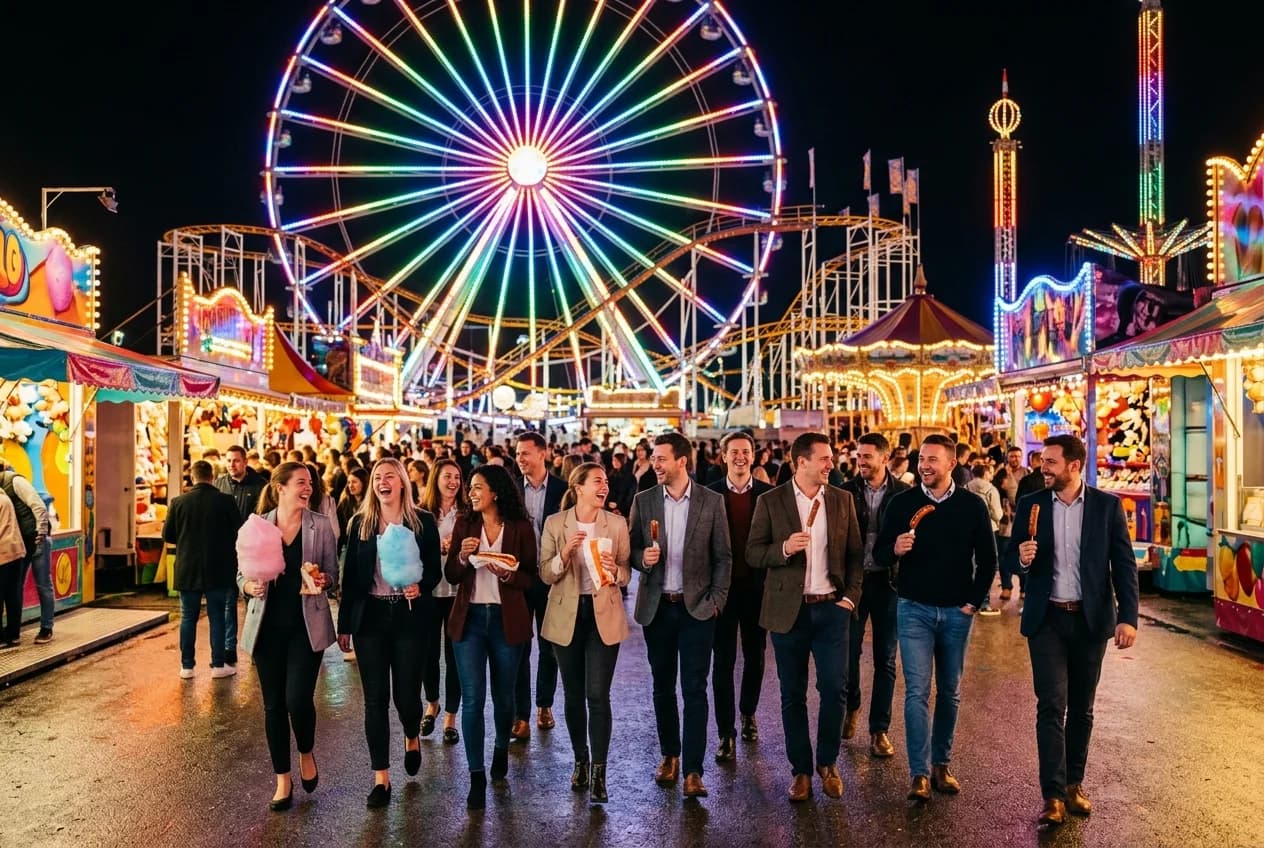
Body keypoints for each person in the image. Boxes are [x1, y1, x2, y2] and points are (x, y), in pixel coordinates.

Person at [1004, 435, 1139, 827]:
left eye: (1051, 463)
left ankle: (1074, 784)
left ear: (1074, 466)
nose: (1043, 468)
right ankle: (1052, 794)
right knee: (1050, 705)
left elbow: (1124, 566)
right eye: (1043, 462)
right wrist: (1021, 559)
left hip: (1090, 620)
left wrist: (1127, 617)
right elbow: (1011, 554)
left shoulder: (1106, 507)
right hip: (1046, 618)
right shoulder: (1031, 505)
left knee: (1082, 708)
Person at [874, 434, 997, 802]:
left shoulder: (972, 506)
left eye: (932, 460)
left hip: (957, 611)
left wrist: (972, 603)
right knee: (916, 691)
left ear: (951, 463)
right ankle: (919, 773)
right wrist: (894, 548)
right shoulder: (901, 503)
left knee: (950, 691)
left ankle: (942, 763)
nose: (924, 466)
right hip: (914, 607)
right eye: (921, 459)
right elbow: (880, 553)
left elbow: (988, 559)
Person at [747, 432, 863, 802]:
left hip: (832, 609)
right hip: (788, 613)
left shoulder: (842, 500)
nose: (832, 464)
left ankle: (827, 762)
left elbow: (856, 555)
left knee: (834, 688)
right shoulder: (771, 500)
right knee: (791, 694)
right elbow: (753, 552)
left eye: (830, 459)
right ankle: (800, 770)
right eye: (825, 459)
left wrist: (849, 598)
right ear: (801, 463)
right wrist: (783, 548)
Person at [629, 432, 732, 800]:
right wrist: (642, 559)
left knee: (694, 689)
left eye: (660, 459)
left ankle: (693, 770)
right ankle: (669, 755)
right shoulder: (644, 501)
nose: (654, 464)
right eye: (653, 459)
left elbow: (723, 557)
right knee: (661, 687)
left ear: (682, 461)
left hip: (697, 609)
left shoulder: (710, 501)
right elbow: (632, 549)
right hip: (657, 607)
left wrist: (716, 600)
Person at [337, 458, 443, 807]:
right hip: (371, 617)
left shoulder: (422, 522)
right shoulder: (360, 524)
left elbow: (433, 571)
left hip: (410, 616)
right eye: (377, 477)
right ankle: (380, 778)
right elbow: (350, 577)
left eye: (390, 477)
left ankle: (411, 733)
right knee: (375, 698)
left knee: (407, 697)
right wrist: (345, 627)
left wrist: (420, 586)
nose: (383, 482)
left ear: (402, 484)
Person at [237, 462, 339, 812]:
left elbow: (333, 575)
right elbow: (241, 573)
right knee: (274, 705)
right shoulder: (258, 524)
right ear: (280, 487)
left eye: (309, 482)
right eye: (300, 482)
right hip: (266, 630)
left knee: (298, 699)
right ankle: (282, 778)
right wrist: (248, 585)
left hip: (305, 627)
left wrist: (324, 581)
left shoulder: (320, 526)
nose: (307, 487)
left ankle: (307, 751)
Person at [444, 464, 538, 810]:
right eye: (470, 488)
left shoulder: (520, 528)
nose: (471, 493)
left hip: (506, 620)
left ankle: (500, 746)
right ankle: (476, 776)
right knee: (472, 698)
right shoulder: (465, 525)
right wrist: (463, 557)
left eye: (478, 487)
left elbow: (531, 577)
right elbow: (451, 575)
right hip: (468, 622)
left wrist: (508, 573)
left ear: (496, 492)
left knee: (503, 696)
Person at [539, 462, 631, 803]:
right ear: (578, 487)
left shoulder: (617, 524)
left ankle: (598, 772)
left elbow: (625, 572)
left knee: (598, 695)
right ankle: (579, 758)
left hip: (602, 614)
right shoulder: (555, 524)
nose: (604, 486)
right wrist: (564, 554)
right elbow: (545, 573)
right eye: (597, 481)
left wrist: (616, 572)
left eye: (606, 481)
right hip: (567, 615)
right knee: (573, 694)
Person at [840, 432, 909, 759]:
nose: (861, 462)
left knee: (885, 657)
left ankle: (879, 729)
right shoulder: (846, 492)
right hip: (854, 581)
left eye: (867, 456)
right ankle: (851, 705)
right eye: (859, 456)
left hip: (888, 582)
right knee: (849, 652)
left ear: (884, 458)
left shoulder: (904, 495)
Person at [705, 431, 773, 762]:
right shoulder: (710, 495)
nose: (740, 457)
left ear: (755, 456)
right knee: (723, 661)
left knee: (756, 655)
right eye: (734, 452)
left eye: (745, 451)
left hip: (757, 589)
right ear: (723, 456)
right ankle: (724, 732)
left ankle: (748, 712)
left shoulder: (768, 495)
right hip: (723, 590)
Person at [510, 431, 566, 741]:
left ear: (542, 454)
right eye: (517, 454)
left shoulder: (561, 489)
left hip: (550, 577)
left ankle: (544, 704)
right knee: (519, 645)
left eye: (525, 453)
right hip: (519, 576)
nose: (520, 458)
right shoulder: (512, 490)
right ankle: (521, 715)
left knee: (549, 646)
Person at [164, 461, 241, 678]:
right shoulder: (225, 501)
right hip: (218, 568)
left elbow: (168, 536)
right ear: (212, 476)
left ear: (192, 476)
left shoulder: (178, 502)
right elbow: (239, 531)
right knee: (217, 616)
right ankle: (218, 665)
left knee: (188, 616)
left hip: (187, 568)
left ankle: (187, 666)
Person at [419, 458, 467, 745]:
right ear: (435, 479)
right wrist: (437, 546)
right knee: (428, 654)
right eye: (448, 476)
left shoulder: (467, 514)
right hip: (428, 590)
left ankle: (450, 717)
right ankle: (432, 703)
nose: (453, 482)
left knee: (455, 655)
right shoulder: (422, 513)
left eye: (457, 477)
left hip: (457, 591)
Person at [215, 445, 268, 665]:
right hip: (227, 551)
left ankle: (256, 645)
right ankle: (230, 648)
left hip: (252, 550)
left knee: (253, 600)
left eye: (236, 460)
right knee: (229, 600)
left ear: (245, 462)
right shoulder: (219, 484)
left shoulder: (259, 486)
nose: (231, 465)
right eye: (228, 460)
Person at [0, 464, 52, 645]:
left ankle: (46, 627)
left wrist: (41, 533)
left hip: (36, 538)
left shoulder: (15, 481)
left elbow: (38, 506)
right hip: (21, 543)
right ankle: (13, 633)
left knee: (43, 585)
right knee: (16, 588)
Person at [965, 463, 1004, 616]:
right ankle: (984, 602)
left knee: (971, 564)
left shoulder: (965, 487)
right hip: (989, 529)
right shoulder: (990, 489)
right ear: (986, 473)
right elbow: (998, 514)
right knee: (988, 564)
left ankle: (970, 598)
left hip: (968, 528)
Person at [992, 446, 1029, 602]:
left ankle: (1024, 588)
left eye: (1018, 456)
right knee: (1004, 554)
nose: (1015, 459)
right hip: (1004, 520)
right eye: (1012, 456)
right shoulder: (1000, 473)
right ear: (1008, 457)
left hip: (1021, 519)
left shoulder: (1027, 474)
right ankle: (1006, 586)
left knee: (1023, 554)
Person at [0, 486, 31, 648]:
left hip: (3, 555)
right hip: (16, 553)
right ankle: (14, 635)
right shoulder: (6, 499)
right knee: (13, 596)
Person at [336, 468, 369, 554]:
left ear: (364, 483)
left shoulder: (371, 504)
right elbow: (338, 526)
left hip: (365, 547)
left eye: (354, 482)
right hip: (348, 547)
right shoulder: (345, 503)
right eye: (349, 482)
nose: (350, 485)